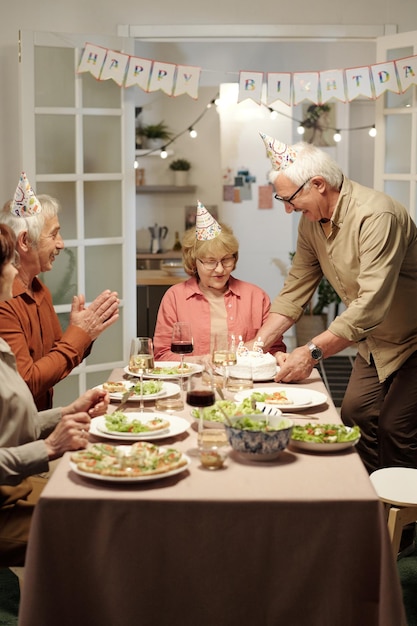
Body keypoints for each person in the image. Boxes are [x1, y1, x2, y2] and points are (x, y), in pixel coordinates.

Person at [255, 133, 417, 557]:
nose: (289, 209)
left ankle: (406, 533)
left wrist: (311, 352)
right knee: (355, 412)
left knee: (399, 428)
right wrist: (256, 344)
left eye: (290, 199)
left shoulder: (377, 215)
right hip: (374, 342)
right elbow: (295, 289)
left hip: (413, 337)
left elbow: (371, 303)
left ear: (319, 186)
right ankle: (366, 509)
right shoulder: (312, 225)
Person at [0, 223, 110, 566]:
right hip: (6, 501)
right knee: (98, 527)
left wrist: (66, 412)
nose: (13, 267)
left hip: (14, 487)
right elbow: (33, 379)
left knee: (104, 498)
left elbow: (15, 415)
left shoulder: (37, 294)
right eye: (7, 261)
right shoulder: (8, 310)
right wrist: (49, 447)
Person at [0, 172, 120, 410]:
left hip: (39, 422)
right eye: (53, 234)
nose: (61, 243)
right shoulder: (5, 302)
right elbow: (27, 382)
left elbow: (58, 358)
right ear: (24, 242)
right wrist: (79, 334)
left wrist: (86, 333)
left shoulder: (40, 289)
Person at [153, 201, 286, 360]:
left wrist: (278, 356)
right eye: (210, 261)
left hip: (242, 383)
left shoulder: (256, 297)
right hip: (193, 382)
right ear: (194, 261)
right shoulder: (175, 298)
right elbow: (161, 355)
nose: (220, 269)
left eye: (226, 260)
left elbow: (273, 348)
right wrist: (202, 362)